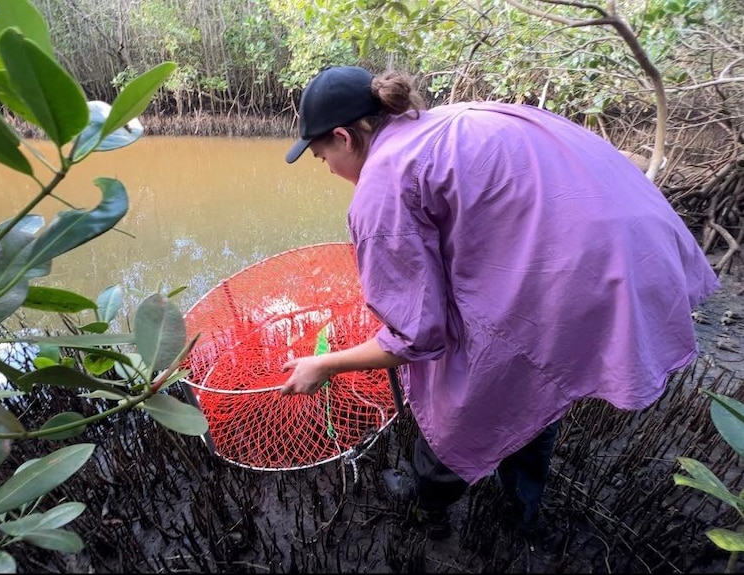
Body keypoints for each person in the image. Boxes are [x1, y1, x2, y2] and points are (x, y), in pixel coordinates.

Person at [278, 65, 720, 540]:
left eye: (321, 156)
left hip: (574, 274)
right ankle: (524, 516)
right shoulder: (442, 120)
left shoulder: (383, 183)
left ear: (343, 137)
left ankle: (431, 507)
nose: (327, 169)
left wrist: (325, 364)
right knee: (536, 385)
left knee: (459, 396)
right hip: (642, 248)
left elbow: (418, 338)